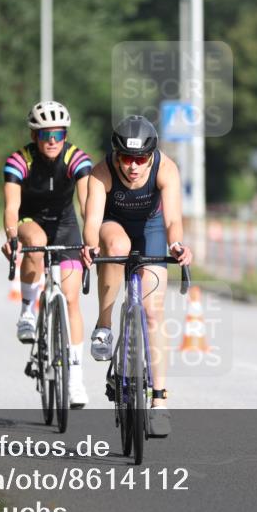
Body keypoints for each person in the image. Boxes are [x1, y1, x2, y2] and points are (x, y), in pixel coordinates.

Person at [80, 115, 193, 438]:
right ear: (116, 155)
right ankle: (104, 324)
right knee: (115, 245)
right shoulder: (100, 173)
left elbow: (173, 220)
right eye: (126, 158)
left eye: (140, 159)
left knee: (153, 312)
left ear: (150, 156)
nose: (132, 166)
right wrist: (89, 246)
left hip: (153, 230)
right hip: (113, 225)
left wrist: (176, 244)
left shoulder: (166, 168)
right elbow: (92, 220)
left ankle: (158, 400)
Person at [1, 101, 93, 407]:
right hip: (31, 222)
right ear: (34, 135)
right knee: (36, 243)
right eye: (44, 134)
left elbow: (85, 203)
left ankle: (76, 380)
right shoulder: (19, 161)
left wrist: (90, 239)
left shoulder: (76, 158)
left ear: (65, 134)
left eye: (58, 133)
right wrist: (12, 236)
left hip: (66, 225)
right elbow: (12, 207)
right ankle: (28, 310)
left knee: (70, 299)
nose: (52, 140)